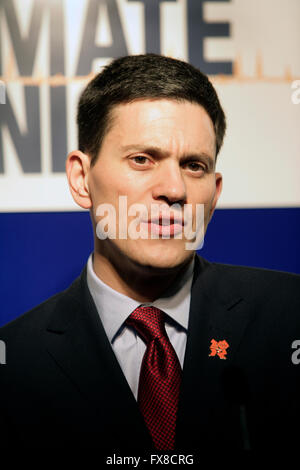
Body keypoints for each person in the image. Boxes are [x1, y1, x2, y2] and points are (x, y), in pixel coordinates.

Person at [0, 54, 299, 457]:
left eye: (194, 166)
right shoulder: (14, 364)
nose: (174, 189)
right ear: (81, 179)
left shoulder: (290, 317)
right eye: (142, 159)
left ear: (215, 194)